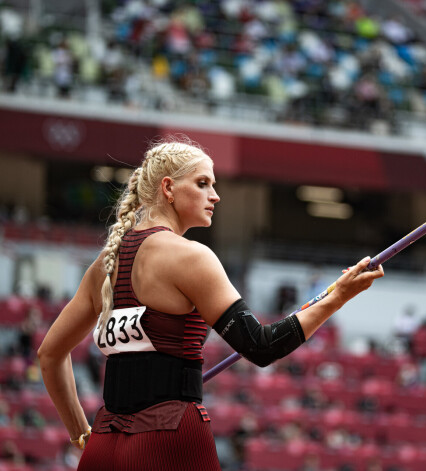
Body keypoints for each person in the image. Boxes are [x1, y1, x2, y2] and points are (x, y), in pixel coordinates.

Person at [37, 140, 384, 470]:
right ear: (169, 189)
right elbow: (261, 346)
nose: (215, 196)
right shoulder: (191, 258)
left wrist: (81, 434)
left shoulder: (105, 263)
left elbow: (50, 355)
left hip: (104, 447)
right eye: (202, 183)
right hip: (170, 439)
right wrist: (338, 296)